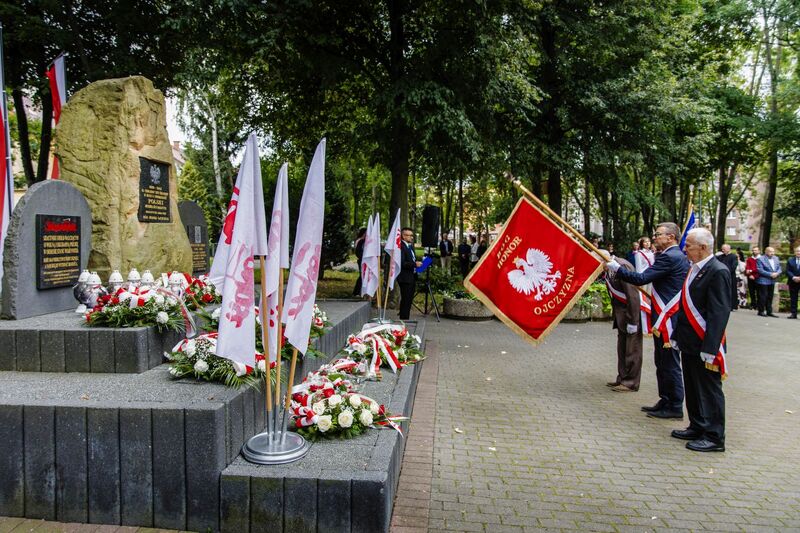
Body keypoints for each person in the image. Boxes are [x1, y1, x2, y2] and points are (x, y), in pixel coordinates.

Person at [606, 222, 690, 419]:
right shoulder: (670, 255)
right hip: (663, 316)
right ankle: (665, 400)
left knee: (669, 363)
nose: (654, 237)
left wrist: (618, 269)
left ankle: (674, 405)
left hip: (669, 318)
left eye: (658, 234)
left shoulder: (670, 256)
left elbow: (641, 278)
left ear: (671, 237)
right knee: (661, 361)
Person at [671, 228, 730, 452]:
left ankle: (714, 437)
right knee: (693, 386)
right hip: (689, 341)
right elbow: (685, 308)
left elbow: (719, 312)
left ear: (703, 248)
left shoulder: (718, 271)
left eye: (689, 246)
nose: (685, 249)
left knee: (709, 390)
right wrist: (677, 335)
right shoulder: (694, 269)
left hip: (706, 343)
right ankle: (697, 425)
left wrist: (711, 347)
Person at [602, 254, 643, 392]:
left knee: (632, 349)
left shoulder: (622, 266)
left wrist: (633, 321)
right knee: (623, 348)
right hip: (621, 316)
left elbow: (632, 294)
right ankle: (622, 378)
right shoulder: (609, 268)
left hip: (630, 315)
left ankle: (631, 382)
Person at [397, 227, 422, 320]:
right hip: (404, 278)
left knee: (409, 299)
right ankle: (403, 320)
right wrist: (414, 264)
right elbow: (402, 263)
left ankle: (405, 318)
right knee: (406, 299)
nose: (411, 237)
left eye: (412, 235)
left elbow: (411, 259)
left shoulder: (410, 246)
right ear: (403, 236)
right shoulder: (401, 247)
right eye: (409, 235)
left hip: (412, 276)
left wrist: (417, 264)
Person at [756, 247, 781, 318]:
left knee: (770, 296)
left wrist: (777, 273)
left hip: (772, 280)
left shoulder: (776, 258)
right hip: (763, 280)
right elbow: (760, 270)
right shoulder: (760, 259)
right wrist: (770, 274)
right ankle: (761, 311)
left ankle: (769, 311)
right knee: (763, 296)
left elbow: (779, 268)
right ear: (766, 252)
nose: (772, 253)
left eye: (773, 251)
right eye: (770, 252)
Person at [715, 244, 739, 311]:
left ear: (729, 249)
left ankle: (731, 306)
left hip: (730, 276)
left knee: (731, 291)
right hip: (721, 277)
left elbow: (733, 267)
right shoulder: (720, 257)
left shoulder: (734, 257)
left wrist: (725, 271)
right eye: (722, 249)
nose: (722, 250)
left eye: (724, 249)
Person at [352, 226, 367, 296]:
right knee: (361, 275)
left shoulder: (365, 241)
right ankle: (356, 291)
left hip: (364, 260)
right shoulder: (360, 241)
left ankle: (359, 291)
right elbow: (357, 252)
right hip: (361, 260)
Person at [787, 245, 800, 319]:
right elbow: (788, 271)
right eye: (797, 251)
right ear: (795, 252)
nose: (799, 252)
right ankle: (793, 313)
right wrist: (794, 277)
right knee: (793, 298)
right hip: (793, 282)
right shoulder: (790, 260)